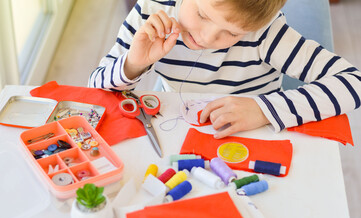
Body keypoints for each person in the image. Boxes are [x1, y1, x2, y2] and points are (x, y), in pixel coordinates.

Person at [88, 0, 361, 139]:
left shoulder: (265, 33)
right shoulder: (151, 12)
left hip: (254, 130)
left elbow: (353, 82)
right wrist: (133, 64)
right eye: (203, 15)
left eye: (231, 33)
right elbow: (92, 93)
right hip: (180, 128)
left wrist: (262, 109)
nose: (207, 37)